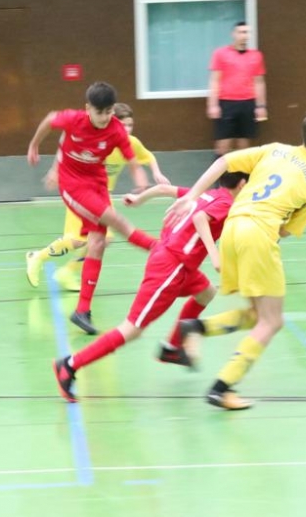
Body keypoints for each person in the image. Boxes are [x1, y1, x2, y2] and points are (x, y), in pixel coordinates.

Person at [165, 111, 306, 410]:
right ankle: (222, 387)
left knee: (256, 315)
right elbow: (286, 230)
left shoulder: (275, 149)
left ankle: (195, 327)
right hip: (258, 235)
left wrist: (192, 195)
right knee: (272, 321)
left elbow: (224, 161)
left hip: (232, 228)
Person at [51, 172, 249, 403]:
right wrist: (215, 256)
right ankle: (70, 365)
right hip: (171, 268)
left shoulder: (206, 194)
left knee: (206, 292)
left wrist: (140, 198)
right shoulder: (226, 204)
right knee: (132, 329)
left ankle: (171, 348)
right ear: (242, 184)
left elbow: (164, 189)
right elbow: (200, 219)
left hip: (176, 261)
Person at [27, 82, 158, 335]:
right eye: (100, 112)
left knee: (97, 243)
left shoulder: (116, 129)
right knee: (113, 219)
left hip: (97, 183)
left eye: (109, 111)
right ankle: (156, 247)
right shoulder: (74, 120)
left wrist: (139, 175)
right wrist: (34, 145)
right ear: (88, 108)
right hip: (72, 184)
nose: (105, 117)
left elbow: (130, 156)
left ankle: (82, 311)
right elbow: (50, 120)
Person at [208, 21, 267, 157]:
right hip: (226, 104)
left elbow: (259, 82)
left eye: (247, 32)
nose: (244, 35)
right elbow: (214, 80)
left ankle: (242, 171)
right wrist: (213, 105)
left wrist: (261, 106)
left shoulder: (256, 55)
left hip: (248, 103)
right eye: (241, 32)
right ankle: (219, 170)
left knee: (244, 144)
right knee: (223, 144)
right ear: (233, 34)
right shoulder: (220, 53)